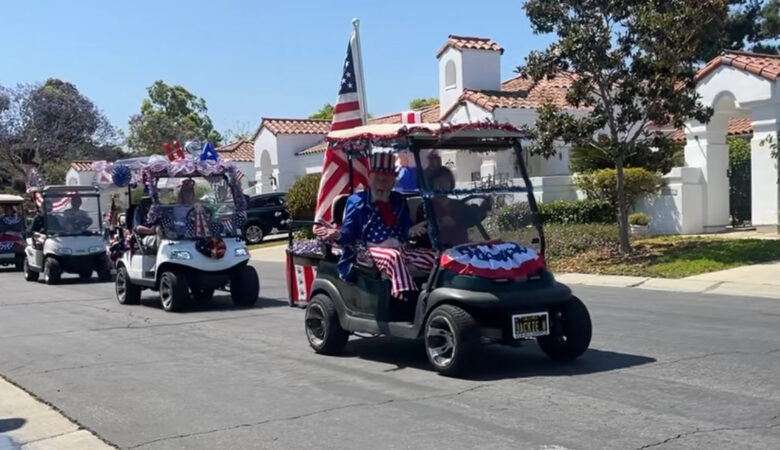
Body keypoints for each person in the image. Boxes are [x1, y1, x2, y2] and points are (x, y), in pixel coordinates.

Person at [316, 153, 433, 302]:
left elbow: (405, 227)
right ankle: (406, 298)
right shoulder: (357, 201)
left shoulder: (397, 200)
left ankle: (431, 292)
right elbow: (349, 234)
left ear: (393, 182)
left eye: (386, 180)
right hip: (369, 251)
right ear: (370, 179)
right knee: (393, 257)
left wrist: (412, 230)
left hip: (401, 248)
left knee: (434, 256)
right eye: (378, 179)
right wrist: (336, 234)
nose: (381, 184)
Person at [417, 166, 493, 248]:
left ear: (451, 184)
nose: (442, 186)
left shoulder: (459, 205)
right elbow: (421, 232)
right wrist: (439, 224)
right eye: (438, 182)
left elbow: (473, 218)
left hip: (463, 248)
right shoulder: (425, 207)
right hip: (439, 251)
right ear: (432, 185)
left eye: (446, 182)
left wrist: (485, 204)